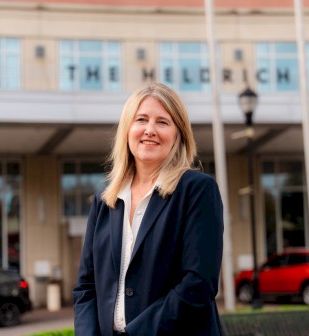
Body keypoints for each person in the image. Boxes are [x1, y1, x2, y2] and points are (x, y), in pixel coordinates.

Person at [73, 82, 224, 336]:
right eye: (141, 119)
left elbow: (198, 284)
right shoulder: (105, 200)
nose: (150, 130)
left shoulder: (197, 190)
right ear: (127, 130)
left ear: (178, 134)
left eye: (162, 122)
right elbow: (86, 286)